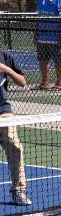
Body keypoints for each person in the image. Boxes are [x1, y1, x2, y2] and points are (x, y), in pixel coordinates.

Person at [0, 50, 30, 206]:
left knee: (15, 146)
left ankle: (18, 190)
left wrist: (7, 70)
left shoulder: (6, 57)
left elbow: (22, 82)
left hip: (4, 111)